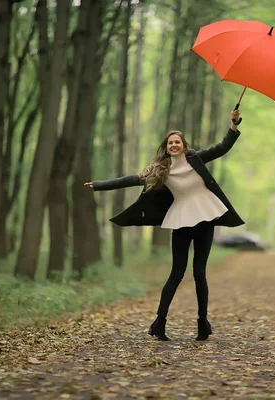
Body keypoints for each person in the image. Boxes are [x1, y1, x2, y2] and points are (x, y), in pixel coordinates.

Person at [84, 109, 245, 341]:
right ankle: (159, 323)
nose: (174, 145)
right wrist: (99, 185)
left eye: (177, 142)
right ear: (166, 146)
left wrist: (233, 125)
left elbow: (222, 147)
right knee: (176, 273)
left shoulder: (195, 158)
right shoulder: (160, 169)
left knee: (200, 273)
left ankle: (203, 323)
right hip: (181, 220)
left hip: (206, 218)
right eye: (170, 142)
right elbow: (131, 179)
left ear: (184, 144)